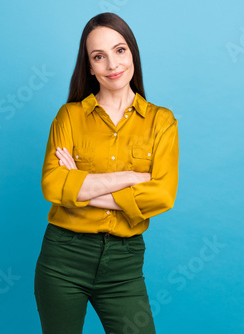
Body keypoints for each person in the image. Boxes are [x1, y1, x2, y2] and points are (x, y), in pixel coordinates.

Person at [34, 12, 179, 334]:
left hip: (124, 265)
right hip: (63, 258)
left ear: (132, 54)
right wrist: (131, 178)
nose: (112, 65)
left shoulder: (162, 122)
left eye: (120, 50)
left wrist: (81, 188)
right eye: (99, 56)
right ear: (89, 67)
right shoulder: (69, 117)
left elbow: (163, 195)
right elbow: (52, 185)